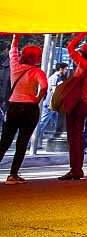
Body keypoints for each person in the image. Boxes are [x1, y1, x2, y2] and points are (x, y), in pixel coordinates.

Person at [1, 35, 48, 184]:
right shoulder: (37, 72)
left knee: (5, 141)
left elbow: (12, 51)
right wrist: (37, 98)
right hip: (30, 108)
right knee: (22, 142)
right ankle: (13, 175)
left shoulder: (15, 67)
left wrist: (16, 37)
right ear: (36, 58)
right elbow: (44, 86)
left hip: (13, 106)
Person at [60, 34, 87, 181]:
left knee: (73, 137)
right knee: (78, 137)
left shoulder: (84, 65)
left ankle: (75, 169)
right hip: (85, 102)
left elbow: (69, 48)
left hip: (77, 103)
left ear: (83, 54)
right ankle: (76, 168)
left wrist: (81, 33)